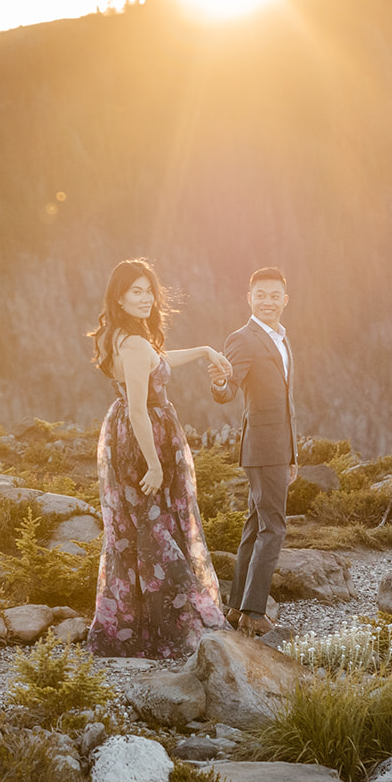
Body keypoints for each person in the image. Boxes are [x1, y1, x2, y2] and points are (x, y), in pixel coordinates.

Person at [86, 258, 232, 658]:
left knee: (141, 528)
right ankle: (172, 626)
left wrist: (203, 350)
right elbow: (137, 408)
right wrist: (153, 463)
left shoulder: (127, 337)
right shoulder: (132, 343)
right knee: (156, 529)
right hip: (142, 436)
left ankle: (139, 625)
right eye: (136, 290)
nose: (146, 297)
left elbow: (159, 362)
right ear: (119, 296)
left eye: (149, 290)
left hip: (135, 433)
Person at [209, 267, 297, 637]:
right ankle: (254, 612)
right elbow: (230, 389)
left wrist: (293, 454)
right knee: (273, 528)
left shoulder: (281, 337)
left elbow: (286, 402)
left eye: (274, 295)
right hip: (262, 447)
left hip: (277, 447)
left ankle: (234, 608)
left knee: (253, 526)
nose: (268, 302)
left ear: (284, 300)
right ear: (249, 298)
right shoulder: (243, 339)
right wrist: (219, 384)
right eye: (260, 295)